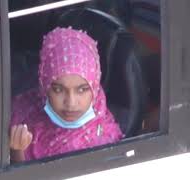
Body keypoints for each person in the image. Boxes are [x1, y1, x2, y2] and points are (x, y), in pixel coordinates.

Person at [9, 27, 124, 163]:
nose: (71, 103)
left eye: (82, 90)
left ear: (94, 87)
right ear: (44, 87)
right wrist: (17, 149)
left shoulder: (104, 142)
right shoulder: (25, 111)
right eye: (59, 90)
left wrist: (17, 153)